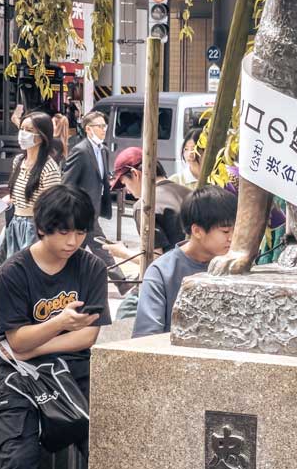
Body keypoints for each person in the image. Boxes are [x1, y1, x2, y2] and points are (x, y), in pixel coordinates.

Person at [0, 185, 111, 469]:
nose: (72, 242)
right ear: (42, 228)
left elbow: (89, 334)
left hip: (74, 373)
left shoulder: (90, 266)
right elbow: (14, 338)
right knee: (16, 464)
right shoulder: (14, 273)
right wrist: (59, 322)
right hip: (19, 382)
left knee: (111, 456)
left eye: (80, 232)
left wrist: (36, 343)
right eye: (63, 233)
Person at [133, 186, 237, 337]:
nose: (232, 238)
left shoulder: (235, 267)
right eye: (226, 231)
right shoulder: (161, 272)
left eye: (236, 230)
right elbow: (146, 336)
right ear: (197, 231)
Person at [61, 110, 129, 292]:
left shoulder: (103, 150)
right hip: (82, 212)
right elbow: (67, 183)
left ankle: (68, 284)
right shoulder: (80, 151)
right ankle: (122, 283)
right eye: (100, 126)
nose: (104, 130)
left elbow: (101, 177)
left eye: (105, 126)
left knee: (77, 250)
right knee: (101, 246)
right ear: (88, 129)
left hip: (94, 208)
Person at [0, 111, 61, 265]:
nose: (23, 134)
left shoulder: (49, 168)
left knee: (25, 271)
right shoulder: (18, 161)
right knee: (6, 269)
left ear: (42, 136)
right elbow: (15, 195)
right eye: (22, 129)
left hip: (35, 228)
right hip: (14, 224)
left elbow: (54, 205)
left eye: (29, 131)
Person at [111, 146, 189, 254]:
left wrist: (123, 252)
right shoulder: (189, 192)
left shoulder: (144, 205)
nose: (126, 190)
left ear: (135, 174)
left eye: (124, 184)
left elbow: (153, 258)